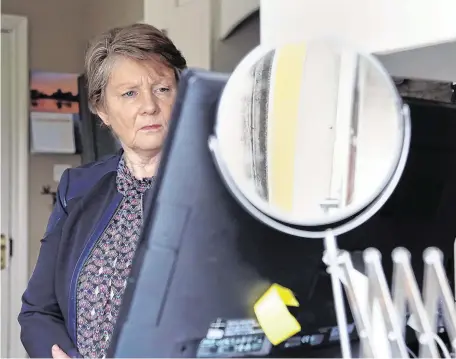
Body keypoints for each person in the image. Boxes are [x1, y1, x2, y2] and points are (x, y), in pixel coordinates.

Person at [18, 23, 187, 359]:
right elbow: (38, 312)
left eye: (163, 89)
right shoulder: (77, 188)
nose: (150, 106)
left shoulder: (217, 190)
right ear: (102, 110)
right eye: (130, 93)